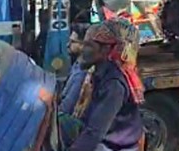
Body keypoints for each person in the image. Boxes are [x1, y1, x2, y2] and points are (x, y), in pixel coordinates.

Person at [62, 18, 144, 151]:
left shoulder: (114, 84)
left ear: (105, 50)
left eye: (88, 45)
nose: (82, 49)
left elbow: (95, 132)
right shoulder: (97, 73)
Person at [60, 26, 90, 115]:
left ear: (83, 45)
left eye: (73, 42)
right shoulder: (76, 66)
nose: (68, 45)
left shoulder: (81, 73)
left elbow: (67, 106)